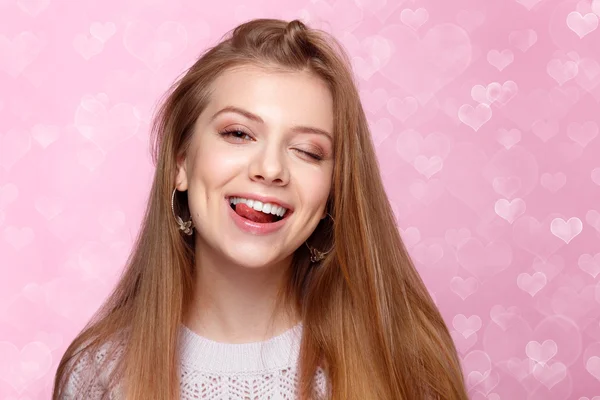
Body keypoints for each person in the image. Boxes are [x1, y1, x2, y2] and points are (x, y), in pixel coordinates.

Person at [52, 18, 469, 400]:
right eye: (238, 133)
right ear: (181, 162)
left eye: (307, 151)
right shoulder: (99, 376)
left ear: (333, 190)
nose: (271, 169)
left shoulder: (404, 370)